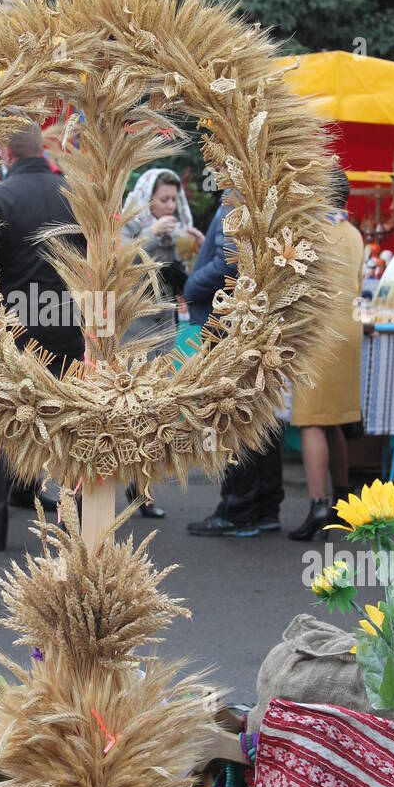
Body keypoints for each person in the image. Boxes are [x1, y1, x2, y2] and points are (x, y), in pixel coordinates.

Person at [0, 123, 85, 551]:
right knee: (64, 422)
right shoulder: (75, 192)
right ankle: (70, 520)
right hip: (71, 324)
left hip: (17, 327)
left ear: (4, 152)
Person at [184, 198, 285, 537]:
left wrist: (193, 286)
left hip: (230, 321)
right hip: (258, 321)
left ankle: (238, 508)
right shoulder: (265, 190)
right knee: (260, 408)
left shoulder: (237, 197)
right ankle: (266, 505)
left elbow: (231, 261)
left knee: (235, 410)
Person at [121, 168, 204, 518]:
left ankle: (143, 491)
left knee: (155, 413)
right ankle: (101, 489)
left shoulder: (180, 228)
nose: (170, 206)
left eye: (174, 199)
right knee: (127, 410)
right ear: (147, 199)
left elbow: (189, 278)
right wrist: (150, 234)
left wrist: (197, 248)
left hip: (165, 328)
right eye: (163, 199)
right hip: (133, 329)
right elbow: (118, 263)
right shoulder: (131, 225)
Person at [288, 168, 364, 541]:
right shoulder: (354, 235)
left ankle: (318, 503)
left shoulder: (311, 232)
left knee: (311, 420)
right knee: (334, 419)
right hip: (349, 333)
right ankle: (342, 501)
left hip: (318, 333)